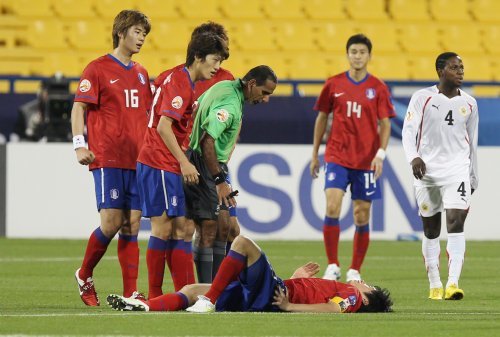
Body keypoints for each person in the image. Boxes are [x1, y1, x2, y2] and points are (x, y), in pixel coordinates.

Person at [137, 31, 229, 299]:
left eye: (220, 61)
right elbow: (164, 127)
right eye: (214, 60)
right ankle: (155, 295)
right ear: (198, 57)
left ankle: (184, 294)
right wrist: (183, 162)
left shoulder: (181, 79)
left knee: (180, 228)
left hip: (164, 162)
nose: (217, 67)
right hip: (160, 161)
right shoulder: (180, 82)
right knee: (164, 228)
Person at [71, 10, 152, 306]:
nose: (142, 38)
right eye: (137, 32)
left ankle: (131, 291)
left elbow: (146, 116)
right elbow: (78, 108)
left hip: (137, 160)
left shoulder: (142, 73)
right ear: (121, 32)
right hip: (107, 156)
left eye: (145, 33)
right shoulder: (97, 68)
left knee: (132, 224)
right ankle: (84, 273)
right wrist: (80, 144)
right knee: (111, 222)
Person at [107, 235, 393, 313]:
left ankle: (209, 301)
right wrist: (297, 277)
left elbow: (331, 310)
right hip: (276, 292)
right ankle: (146, 305)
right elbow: (315, 295)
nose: (362, 282)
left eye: (368, 286)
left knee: (242, 243)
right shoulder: (344, 288)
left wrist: (290, 305)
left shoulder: (353, 299)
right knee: (194, 289)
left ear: (368, 299)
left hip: (276, 295)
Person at [310, 34, 395, 282]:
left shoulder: (378, 87)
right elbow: (322, 118)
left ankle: (355, 269)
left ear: (369, 56)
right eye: (353, 52)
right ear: (347, 55)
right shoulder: (333, 84)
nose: (357, 56)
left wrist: (380, 154)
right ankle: (333, 265)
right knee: (333, 206)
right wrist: (315, 154)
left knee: (361, 214)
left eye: (362, 52)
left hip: (366, 161)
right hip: (337, 155)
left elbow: (385, 124)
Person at [184, 65, 277, 283]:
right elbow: (208, 141)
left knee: (224, 226)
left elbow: (197, 108)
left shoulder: (225, 87)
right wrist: (219, 179)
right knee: (208, 228)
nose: (265, 100)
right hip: (206, 163)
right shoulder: (231, 105)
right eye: (265, 93)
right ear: (252, 84)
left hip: (214, 163)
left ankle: (219, 285)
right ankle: (207, 290)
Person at [402, 52, 478, 300]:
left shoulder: (469, 103)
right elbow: (408, 131)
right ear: (440, 71)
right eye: (455, 68)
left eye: (462, 67)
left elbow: (472, 142)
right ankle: (435, 283)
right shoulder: (422, 98)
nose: (460, 72)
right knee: (431, 229)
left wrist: (473, 174)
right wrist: (413, 156)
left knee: (455, 222)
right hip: (428, 172)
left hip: (457, 170)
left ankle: (452, 283)